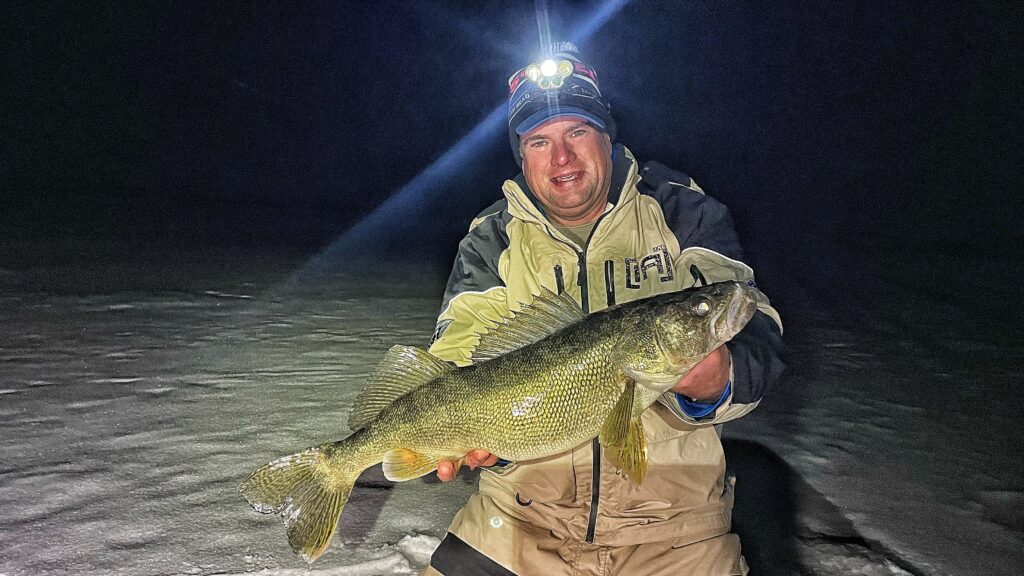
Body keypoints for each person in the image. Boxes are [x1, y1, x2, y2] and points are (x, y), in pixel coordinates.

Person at [423, 43, 784, 575]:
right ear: (522, 156)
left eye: (577, 132)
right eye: (539, 141)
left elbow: (756, 327)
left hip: (677, 532)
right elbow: (454, 357)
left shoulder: (682, 209)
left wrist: (721, 379)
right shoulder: (491, 237)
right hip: (520, 521)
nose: (561, 158)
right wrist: (485, 443)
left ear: (606, 136)